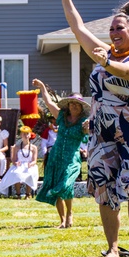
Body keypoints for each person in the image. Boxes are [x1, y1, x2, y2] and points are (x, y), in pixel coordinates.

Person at [57, 0, 129, 257]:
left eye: (120, 28)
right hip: (103, 131)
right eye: (111, 28)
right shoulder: (105, 52)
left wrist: (104, 61)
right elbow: (77, 26)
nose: (113, 32)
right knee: (103, 186)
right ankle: (113, 249)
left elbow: (126, 73)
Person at [33, 81, 89, 229]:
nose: (74, 106)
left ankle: (70, 212)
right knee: (55, 186)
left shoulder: (84, 122)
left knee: (65, 185)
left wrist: (88, 128)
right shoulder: (61, 116)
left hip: (71, 158)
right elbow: (48, 101)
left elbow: (90, 134)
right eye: (71, 104)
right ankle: (62, 220)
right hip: (55, 157)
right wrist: (43, 87)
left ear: (81, 107)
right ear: (68, 106)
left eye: (77, 104)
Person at [0, 126, 38, 199]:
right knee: (16, 174)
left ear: (30, 135)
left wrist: (31, 164)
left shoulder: (33, 147)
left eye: (27, 134)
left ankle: (27, 194)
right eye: (24, 134)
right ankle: (18, 194)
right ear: (21, 135)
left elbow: (34, 160)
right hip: (19, 165)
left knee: (30, 174)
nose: (25, 136)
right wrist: (15, 163)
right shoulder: (17, 147)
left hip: (30, 165)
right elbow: (13, 159)